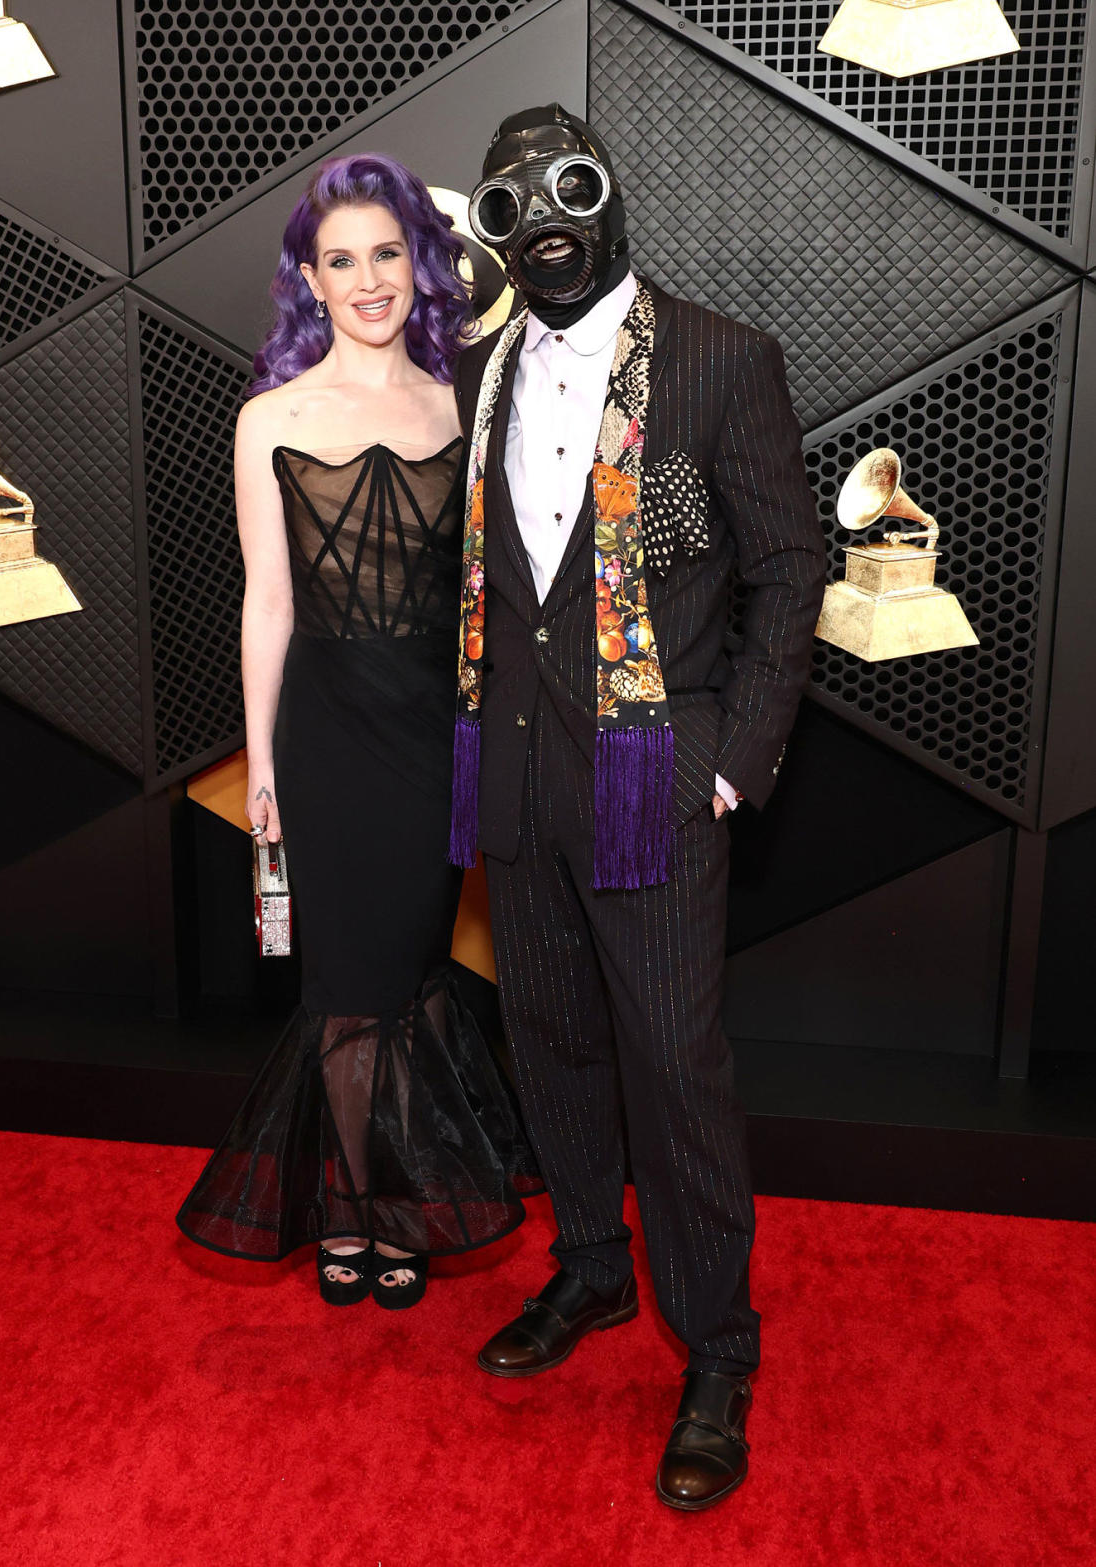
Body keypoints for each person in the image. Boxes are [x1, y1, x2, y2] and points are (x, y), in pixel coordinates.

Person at [448, 106, 826, 1506]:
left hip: (642, 772)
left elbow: (790, 573)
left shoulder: (722, 359)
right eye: (514, 196)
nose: (543, 216)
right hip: (514, 773)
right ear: (494, 221)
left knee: (673, 1068)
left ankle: (716, 1346)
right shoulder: (477, 368)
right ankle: (593, 1275)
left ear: (607, 198)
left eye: (567, 184)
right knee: (544, 1037)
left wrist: (725, 756)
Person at [177, 153, 540, 1310]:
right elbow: (267, 601)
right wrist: (264, 764)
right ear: (311, 282)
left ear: (418, 267)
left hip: (436, 737)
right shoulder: (268, 419)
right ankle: (353, 1204)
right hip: (328, 738)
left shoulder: (463, 407)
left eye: (387, 253)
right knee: (342, 987)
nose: (369, 278)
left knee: (411, 977)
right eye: (343, 260)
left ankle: (385, 1198)